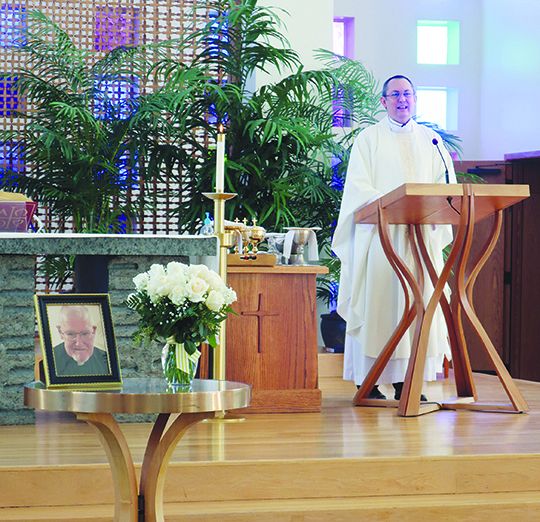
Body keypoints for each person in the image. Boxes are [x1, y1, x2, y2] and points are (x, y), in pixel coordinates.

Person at [332, 75, 456, 401]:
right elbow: (359, 187)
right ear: (384, 102)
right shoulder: (368, 139)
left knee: (417, 305)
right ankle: (369, 382)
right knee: (377, 307)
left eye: (408, 94)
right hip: (382, 238)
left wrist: (424, 209)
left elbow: (445, 187)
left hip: (419, 240)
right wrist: (394, 204)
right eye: (396, 94)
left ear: (415, 99)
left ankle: (407, 382)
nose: (403, 99)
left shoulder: (432, 141)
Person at [53, 305, 110, 376]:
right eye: (71, 334)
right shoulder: (49, 360)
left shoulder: (107, 361)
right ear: (60, 332)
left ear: (93, 331)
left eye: (85, 333)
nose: (79, 343)